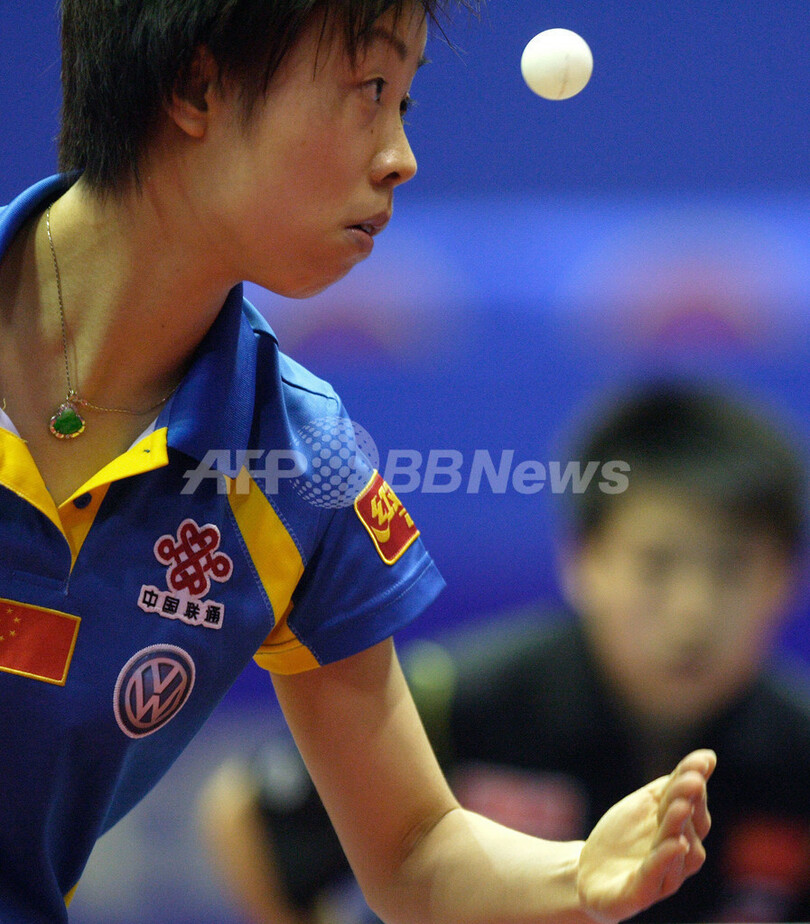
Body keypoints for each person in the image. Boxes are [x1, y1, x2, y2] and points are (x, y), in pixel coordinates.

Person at [0, 3, 715, 922]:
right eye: (369, 88)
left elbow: (415, 849)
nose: (401, 157)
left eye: (403, 103)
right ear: (197, 86)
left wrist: (578, 874)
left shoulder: (300, 467)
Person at [198, 380, 810, 924]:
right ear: (584, 560)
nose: (693, 611)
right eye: (657, 564)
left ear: (785, 578)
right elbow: (248, 814)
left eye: (732, 569)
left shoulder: (799, 750)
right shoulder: (450, 702)